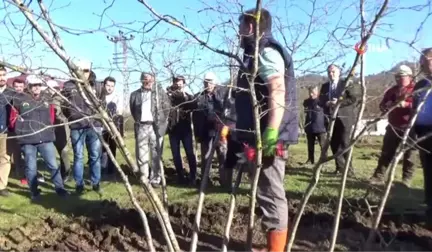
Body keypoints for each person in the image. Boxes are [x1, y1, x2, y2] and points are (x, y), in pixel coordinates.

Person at [235, 8, 298, 251]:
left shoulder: (267, 52)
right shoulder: (255, 54)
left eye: (241, 26)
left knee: (271, 194)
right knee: (265, 192)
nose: (238, 32)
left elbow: (277, 91)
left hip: (269, 139)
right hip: (258, 137)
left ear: (251, 27)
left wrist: (270, 134)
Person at [10, 75, 68, 200]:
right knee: (31, 167)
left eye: (38, 85)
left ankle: (60, 189)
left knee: (53, 165)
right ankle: (34, 192)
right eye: (33, 85)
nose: (36, 88)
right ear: (28, 86)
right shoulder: (20, 99)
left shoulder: (47, 99)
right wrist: (21, 131)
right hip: (28, 140)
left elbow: (51, 117)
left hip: (45, 138)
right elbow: (13, 119)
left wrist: (48, 129)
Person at [62, 59, 103, 194]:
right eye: (80, 70)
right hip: (77, 126)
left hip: (94, 125)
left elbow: (102, 104)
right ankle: (79, 184)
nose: (83, 73)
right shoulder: (68, 86)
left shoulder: (97, 86)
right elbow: (64, 106)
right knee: (78, 156)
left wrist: (98, 120)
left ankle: (96, 183)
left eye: (86, 71)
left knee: (95, 155)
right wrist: (72, 118)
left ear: (89, 71)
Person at [370, 65, 416, 187]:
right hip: (393, 126)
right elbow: (382, 105)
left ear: (409, 77)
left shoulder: (415, 90)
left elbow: (420, 107)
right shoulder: (392, 91)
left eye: (401, 76)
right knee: (386, 152)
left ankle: (406, 180)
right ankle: (378, 176)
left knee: (410, 155)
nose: (398, 79)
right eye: (396, 77)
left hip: (410, 127)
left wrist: (407, 105)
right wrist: (386, 105)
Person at [129, 72, 170, 187]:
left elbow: (167, 108)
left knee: (156, 154)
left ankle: (155, 179)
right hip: (141, 126)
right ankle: (144, 178)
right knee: (141, 155)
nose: (147, 82)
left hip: (156, 127)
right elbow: (133, 111)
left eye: (150, 80)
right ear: (141, 81)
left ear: (153, 80)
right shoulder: (134, 95)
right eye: (145, 80)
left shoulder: (160, 93)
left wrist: (162, 122)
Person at [319, 64, 359, 175]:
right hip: (330, 119)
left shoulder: (346, 84)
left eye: (333, 72)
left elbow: (354, 98)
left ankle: (348, 169)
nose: (331, 74)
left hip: (344, 118)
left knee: (345, 143)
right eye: (329, 72)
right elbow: (320, 101)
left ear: (339, 72)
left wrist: (339, 103)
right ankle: (339, 168)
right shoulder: (325, 86)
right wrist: (326, 103)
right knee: (334, 144)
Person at [192, 72, 228, 185]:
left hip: (221, 131)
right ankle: (205, 181)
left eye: (210, 82)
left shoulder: (223, 95)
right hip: (205, 132)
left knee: (223, 155)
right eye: (206, 82)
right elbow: (195, 117)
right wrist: (197, 134)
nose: (208, 84)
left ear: (215, 83)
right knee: (206, 157)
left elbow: (229, 113)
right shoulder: (198, 97)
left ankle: (225, 181)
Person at [413, 47, 432, 229]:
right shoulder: (420, 85)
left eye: (425, 61)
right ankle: (430, 210)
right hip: (423, 133)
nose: (422, 64)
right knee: (428, 172)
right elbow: (414, 109)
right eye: (421, 61)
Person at [166, 75, 197, 184]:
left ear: (184, 84)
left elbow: (193, 106)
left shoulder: (188, 96)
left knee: (190, 152)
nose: (179, 85)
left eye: (181, 83)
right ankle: (180, 176)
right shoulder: (169, 96)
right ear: (174, 84)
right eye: (177, 83)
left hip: (186, 130)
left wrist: (185, 96)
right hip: (173, 130)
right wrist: (170, 92)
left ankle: (193, 176)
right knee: (176, 154)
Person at [44, 79, 71, 183]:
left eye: (53, 88)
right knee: (50, 153)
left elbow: (68, 112)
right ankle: (54, 174)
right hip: (48, 128)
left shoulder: (62, 99)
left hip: (61, 127)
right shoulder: (44, 98)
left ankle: (67, 173)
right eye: (49, 88)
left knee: (63, 151)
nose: (51, 90)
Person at [100, 76, 123, 177]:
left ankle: (111, 171)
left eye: (112, 86)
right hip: (101, 127)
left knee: (112, 149)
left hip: (113, 127)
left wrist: (119, 131)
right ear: (104, 85)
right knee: (102, 150)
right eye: (108, 85)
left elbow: (119, 114)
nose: (109, 88)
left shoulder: (117, 97)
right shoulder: (99, 97)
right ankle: (103, 170)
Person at [303, 85, 327, 165]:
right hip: (309, 127)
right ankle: (310, 159)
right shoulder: (306, 102)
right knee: (310, 145)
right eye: (310, 92)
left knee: (323, 146)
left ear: (317, 92)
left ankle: (324, 160)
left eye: (313, 92)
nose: (311, 94)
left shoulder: (321, 101)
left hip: (320, 127)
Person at [8, 79, 26, 184]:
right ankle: (18, 171)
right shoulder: (10, 98)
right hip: (12, 129)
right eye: (16, 86)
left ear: (24, 87)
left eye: (20, 86)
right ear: (13, 86)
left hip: (25, 129)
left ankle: (24, 175)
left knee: (26, 153)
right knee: (16, 153)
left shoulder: (27, 98)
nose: (18, 88)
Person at [0, 65, 14, 197]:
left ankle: (1, 185)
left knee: (4, 158)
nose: (1, 77)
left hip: (4, 130)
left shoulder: (12, 93)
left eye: (3, 74)